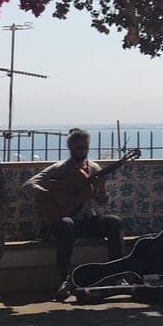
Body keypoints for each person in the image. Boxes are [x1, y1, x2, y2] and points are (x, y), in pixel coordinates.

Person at [22, 127, 125, 301]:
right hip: (63, 222)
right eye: (79, 148)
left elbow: (102, 201)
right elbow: (29, 184)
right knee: (66, 224)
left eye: (85, 147)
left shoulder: (94, 169)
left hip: (87, 220)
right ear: (71, 148)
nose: (83, 151)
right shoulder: (60, 169)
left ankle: (117, 275)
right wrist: (56, 188)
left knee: (114, 222)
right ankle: (64, 278)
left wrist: (101, 188)